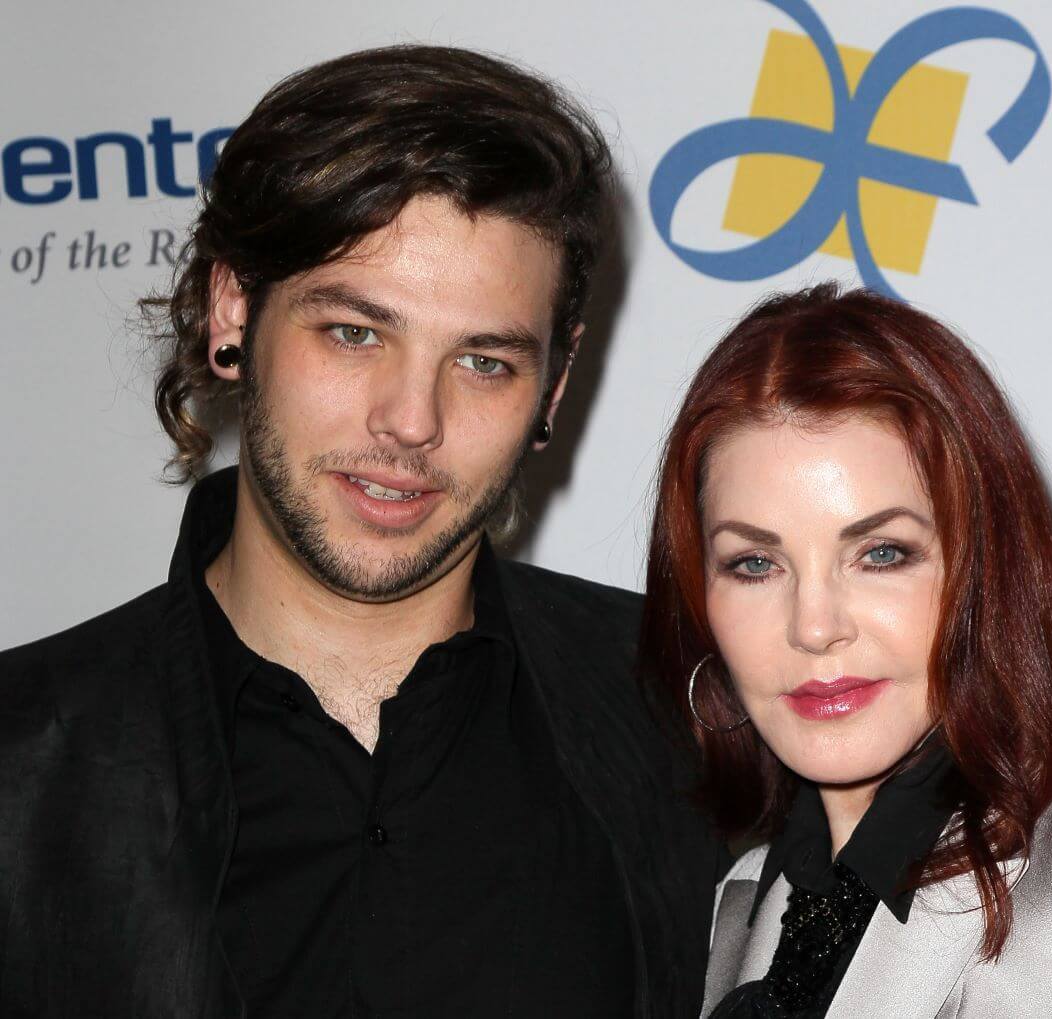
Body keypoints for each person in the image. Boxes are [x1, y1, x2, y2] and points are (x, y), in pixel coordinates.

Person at [0, 46, 720, 1019]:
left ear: (552, 385)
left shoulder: (702, 720)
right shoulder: (22, 762)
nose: (410, 420)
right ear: (232, 310)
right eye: (354, 333)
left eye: (483, 361)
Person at [640, 283, 1052, 1018]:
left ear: (981, 573)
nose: (814, 626)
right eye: (754, 563)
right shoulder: (746, 900)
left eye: (880, 553)